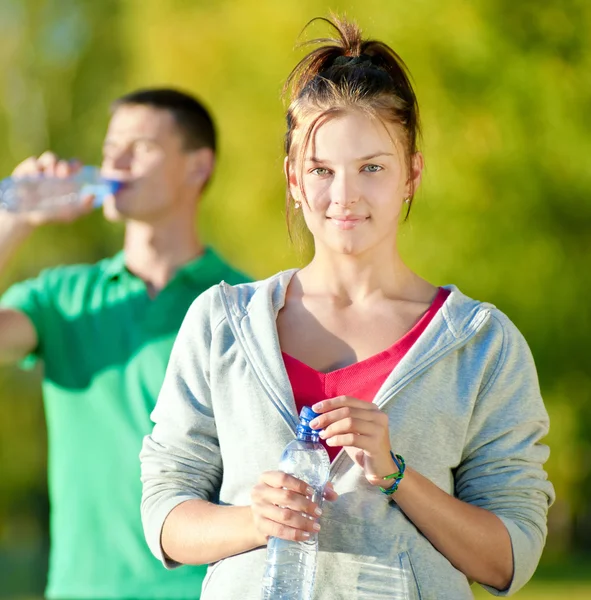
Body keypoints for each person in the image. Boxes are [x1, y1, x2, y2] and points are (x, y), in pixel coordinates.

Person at [140, 19, 555, 600]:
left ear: (412, 174)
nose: (344, 196)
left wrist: (396, 474)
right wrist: (253, 520)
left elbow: (511, 555)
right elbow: (164, 513)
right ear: (293, 178)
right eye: (321, 170)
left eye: (373, 168)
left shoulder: (482, 343)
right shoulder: (221, 324)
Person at [0, 88, 249, 599]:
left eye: (140, 147)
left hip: (206, 589)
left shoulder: (246, 307)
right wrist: (15, 216)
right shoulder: (61, 298)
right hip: (80, 588)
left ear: (197, 166)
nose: (115, 160)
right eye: (111, 146)